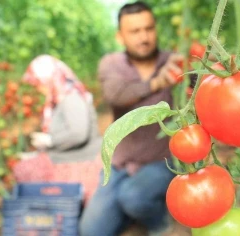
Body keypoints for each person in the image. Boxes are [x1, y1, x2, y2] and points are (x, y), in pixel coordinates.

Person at [79, 2, 184, 235]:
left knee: (134, 197)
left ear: (156, 29)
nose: (143, 37)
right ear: (120, 36)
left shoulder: (174, 62)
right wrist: (157, 83)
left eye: (148, 29)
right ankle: (132, 213)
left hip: (161, 162)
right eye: (134, 31)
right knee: (91, 230)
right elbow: (116, 95)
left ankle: (160, 223)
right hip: (121, 164)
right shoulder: (112, 64)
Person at [13, 54, 103, 202]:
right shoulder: (60, 99)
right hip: (69, 156)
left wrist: (50, 140)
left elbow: (78, 134)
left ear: (50, 79)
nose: (39, 89)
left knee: (27, 170)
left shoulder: (71, 99)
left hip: (81, 159)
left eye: (40, 83)